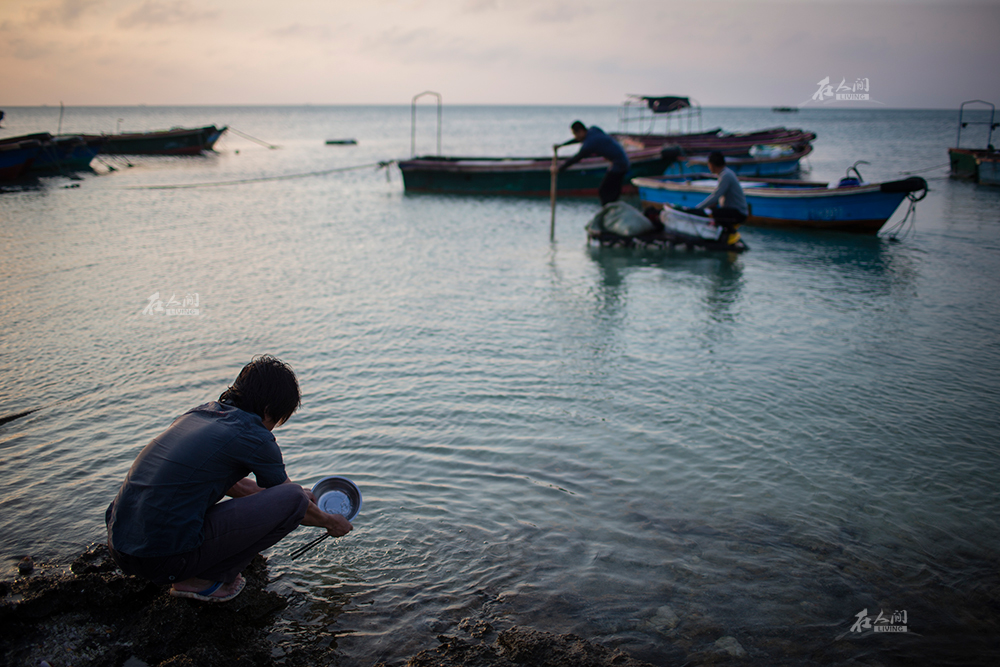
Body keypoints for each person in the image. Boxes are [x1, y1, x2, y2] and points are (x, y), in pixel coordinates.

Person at [105, 355, 351, 602]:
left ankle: (184, 567)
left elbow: (235, 486)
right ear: (269, 409)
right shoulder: (253, 434)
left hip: (120, 547)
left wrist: (281, 497)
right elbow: (296, 504)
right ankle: (202, 579)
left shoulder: (200, 414)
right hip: (162, 561)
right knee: (294, 496)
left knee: (290, 495)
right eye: (279, 418)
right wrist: (331, 522)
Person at [555, 121, 630, 205]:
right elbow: (578, 139)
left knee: (604, 190)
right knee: (612, 189)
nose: (575, 137)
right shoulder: (593, 130)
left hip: (619, 164)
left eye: (575, 134)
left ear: (581, 131)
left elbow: (576, 158)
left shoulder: (589, 144)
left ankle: (608, 208)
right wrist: (562, 145)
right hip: (622, 161)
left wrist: (560, 169)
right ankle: (612, 206)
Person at [695, 151, 748, 229]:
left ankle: (729, 231)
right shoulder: (725, 173)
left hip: (738, 213)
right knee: (712, 210)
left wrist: (697, 209)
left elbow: (716, 195)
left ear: (712, 164)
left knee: (710, 212)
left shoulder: (726, 175)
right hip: (734, 211)